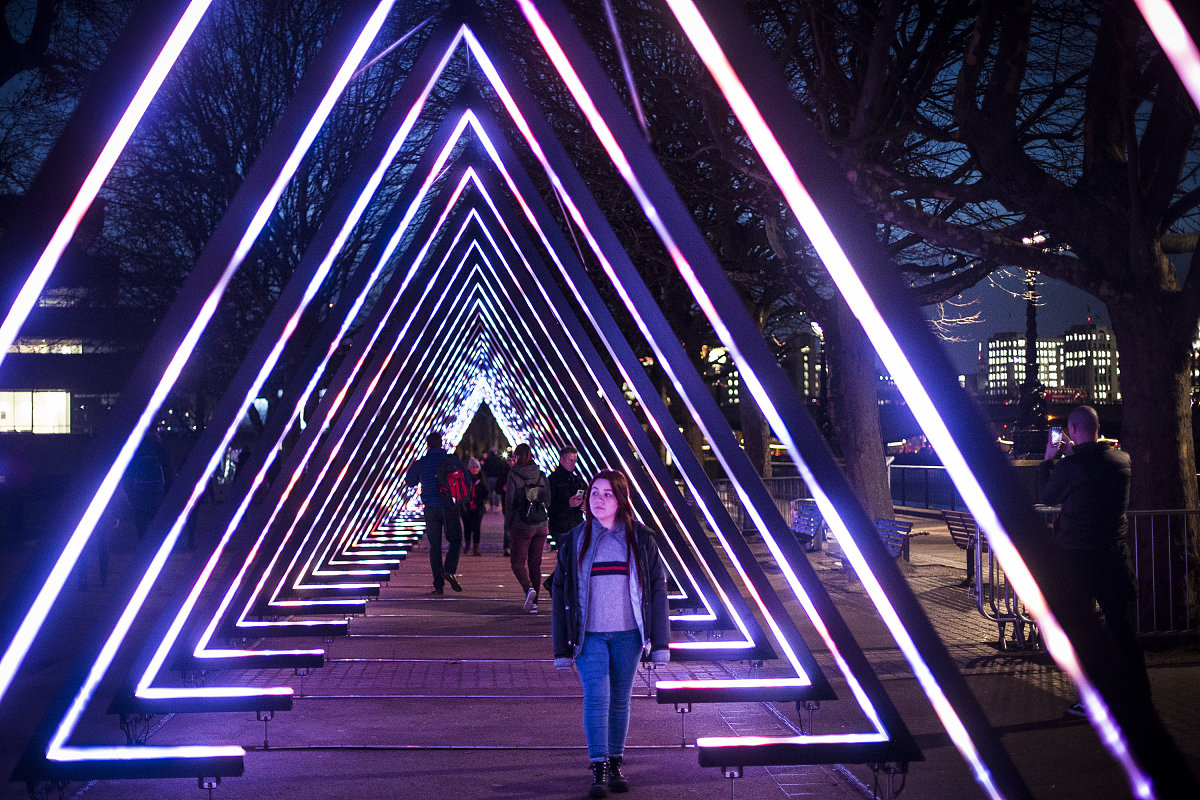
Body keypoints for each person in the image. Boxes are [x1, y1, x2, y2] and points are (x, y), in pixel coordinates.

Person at [551, 469, 670, 798]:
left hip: (629, 636)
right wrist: (562, 649)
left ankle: (616, 762)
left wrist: (660, 643)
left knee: (620, 701)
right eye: (594, 493)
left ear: (621, 499)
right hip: (589, 637)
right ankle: (599, 768)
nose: (599, 499)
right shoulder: (575, 539)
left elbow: (657, 590)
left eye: (607, 494)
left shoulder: (641, 539)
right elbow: (561, 593)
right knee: (597, 699)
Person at [1038, 404, 1150, 712]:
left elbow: (1048, 495)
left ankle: (1091, 700)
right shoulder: (1121, 461)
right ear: (1098, 428)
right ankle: (1140, 694)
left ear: (1072, 431)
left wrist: (1050, 459)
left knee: (1081, 632)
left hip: (1078, 558)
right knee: (1122, 628)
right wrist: (1076, 454)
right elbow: (1093, 474)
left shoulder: (1069, 467)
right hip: (1113, 555)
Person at [403, 431, 466, 595]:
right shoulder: (451, 461)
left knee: (435, 546)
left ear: (427, 445)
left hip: (430, 507)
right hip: (449, 507)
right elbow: (466, 479)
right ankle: (449, 569)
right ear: (442, 444)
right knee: (456, 540)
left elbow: (410, 481)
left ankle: (439, 585)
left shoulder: (422, 462)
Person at [504, 443, 550, 612]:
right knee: (535, 564)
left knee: (517, 562)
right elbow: (548, 499)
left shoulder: (513, 475)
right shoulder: (541, 474)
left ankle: (527, 589)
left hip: (521, 524)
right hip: (541, 525)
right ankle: (534, 604)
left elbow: (510, 502)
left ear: (517, 456)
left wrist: (508, 523)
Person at [548, 445, 587, 549]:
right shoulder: (552, 480)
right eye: (570, 460)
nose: (573, 464)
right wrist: (568, 504)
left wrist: (584, 504)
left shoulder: (577, 480)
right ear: (561, 460)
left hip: (576, 524)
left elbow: (585, 494)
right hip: (560, 526)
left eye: (575, 461)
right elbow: (548, 506)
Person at [462, 457, 489, 556]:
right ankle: (467, 546)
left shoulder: (482, 479)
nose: (475, 469)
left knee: (477, 528)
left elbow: (486, 493)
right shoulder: (465, 478)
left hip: (478, 507)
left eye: (477, 467)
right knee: (467, 527)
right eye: (473, 467)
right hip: (467, 507)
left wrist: (480, 499)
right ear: (469, 468)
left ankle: (476, 549)